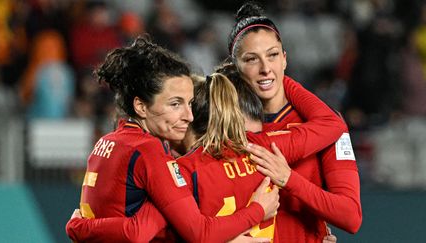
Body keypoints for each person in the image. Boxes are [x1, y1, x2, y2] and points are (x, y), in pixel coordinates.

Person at [66, 63, 344, 242]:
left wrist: (81, 228)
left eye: (185, 106)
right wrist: (281, 76)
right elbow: (333, 124)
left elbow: (146, 232)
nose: (183, 116)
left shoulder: (181, 173)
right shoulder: (264, 148)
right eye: (176, 105)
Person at [66, 35, 281, 243]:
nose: (188, 115)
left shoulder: (107, 142)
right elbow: (196, 234)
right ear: (141, 106)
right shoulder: (149, 152)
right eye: (175, 104)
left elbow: (137, 228)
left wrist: (81, 227)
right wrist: (258, 210)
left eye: (189, 103)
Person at [227, 2, 362, 242]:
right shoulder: (221, 127)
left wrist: (289, 180)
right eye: (251, 59)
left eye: (273, 56)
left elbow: (351, 216)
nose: (265, 68)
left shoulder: (326, 127)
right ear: (235, 67)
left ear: (284, 59)